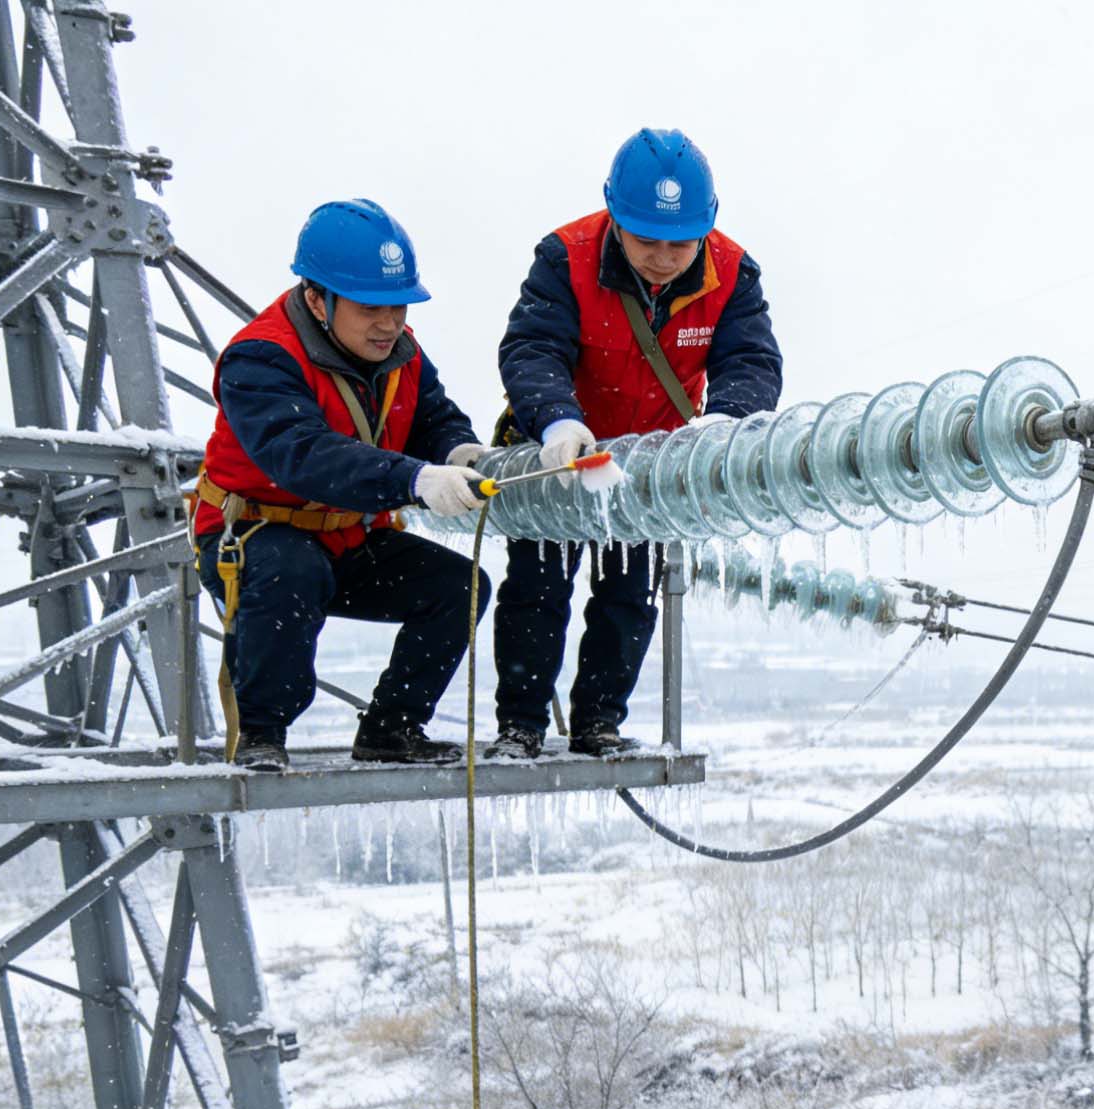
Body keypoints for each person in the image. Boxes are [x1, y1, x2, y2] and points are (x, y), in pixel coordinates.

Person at [490, 127, 783, 758]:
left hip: (649, 463)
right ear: (614, 217)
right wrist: (556, 420)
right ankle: (520, 725)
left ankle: (598, 721)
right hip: (564, 454)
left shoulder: (732, 272)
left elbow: (752, 361)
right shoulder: (565, 256)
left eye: (681, 242)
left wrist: (725, 423)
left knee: (627, 598)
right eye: (646, 238)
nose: (664, 256)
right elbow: (533, 347)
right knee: (537, 591)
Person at [194, 198, 490, 772]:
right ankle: (262, 733)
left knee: (460, 586)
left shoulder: (400, 352)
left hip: (347, 537)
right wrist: (415, 478)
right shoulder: (260, 357)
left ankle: (392, 728)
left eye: (399, 305)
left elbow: (433, 417)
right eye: (370, 306)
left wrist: (461, 451)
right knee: (290, 572)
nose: (390, 322)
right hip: (256, 532)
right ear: (316, 300)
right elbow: (302, 455)